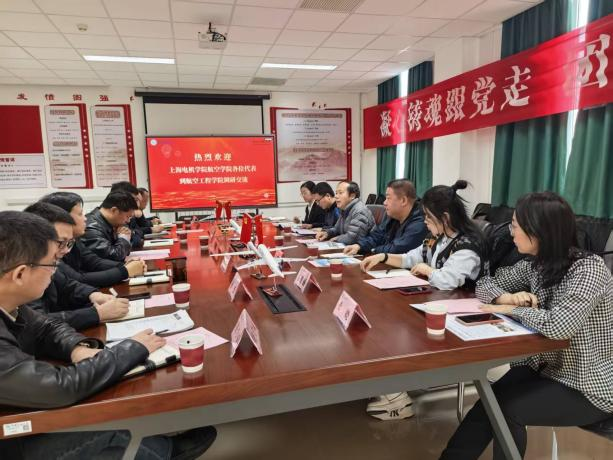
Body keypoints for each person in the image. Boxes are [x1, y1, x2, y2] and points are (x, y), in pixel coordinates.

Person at [0, 211, 217, 459]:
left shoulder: (11, 302)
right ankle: (163, 453)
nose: (56, 270)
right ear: (19, 274)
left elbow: (46, 327)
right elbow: (58, 387)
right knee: (106, 423)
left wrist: (77, 347)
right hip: (10, 443)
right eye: (52, 264)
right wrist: (132, 348)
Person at [440, 192, 612, 460]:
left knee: (507, 410)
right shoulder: (536, 265)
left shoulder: (588, 270)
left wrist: (513, 310)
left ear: (539, 231)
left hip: (587, 383)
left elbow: (560, 326)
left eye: (515, 227)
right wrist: (504, 297)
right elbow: (485, 284)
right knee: (488, 402)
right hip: (547, 368)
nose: (511, 234)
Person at [360, 180, 486, 421]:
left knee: (399, 331)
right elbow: (412, 257)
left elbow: (447, 280)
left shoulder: (467, 245)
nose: (424, 221)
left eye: (428, 216)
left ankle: (397, 394)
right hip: (436, 303)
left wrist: (428, 270)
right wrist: (383, 257)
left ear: (445, 217)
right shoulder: (438, 237)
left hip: (459, 315)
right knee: (387, 321)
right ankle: (389, 382)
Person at [24, 202, 130, 330]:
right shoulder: (24, 269)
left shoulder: (50, 259)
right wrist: (96, 314)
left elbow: (67, 285)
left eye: (69, 243)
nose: (66, 250)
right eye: (61, 243)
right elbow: (35, 322)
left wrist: (92, 295)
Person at [40, 192, 146, 287]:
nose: (85, 218)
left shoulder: (73, 239)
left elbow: (93, 261)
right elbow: (76, 279)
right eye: (80, 214)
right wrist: (125, 271)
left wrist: (125, 265)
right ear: (61, 218)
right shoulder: (47, 249)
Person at [343, 179, 427, 257]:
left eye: (388, 198)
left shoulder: (421, 222)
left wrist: (373, 250)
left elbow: (398, 249)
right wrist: (359, 246)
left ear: (403, 200)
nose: (384, 202)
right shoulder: (392, 215)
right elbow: (377, 236)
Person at [83, 191, 139, 262]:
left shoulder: (110, 222)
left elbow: (124, 253)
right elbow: (114, 256)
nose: (128, 221)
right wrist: (123, 238)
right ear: (114, 210)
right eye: (127, 216)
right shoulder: (92, 228)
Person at [316, 181, 375, 245]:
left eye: (340, 193)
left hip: (361, 249)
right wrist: (327, 233)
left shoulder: (360, 211)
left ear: (352, 196)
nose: (336, 196)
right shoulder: (345, 209)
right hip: (348, 247)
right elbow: (336, 229)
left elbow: (354, 238)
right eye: (336, 193)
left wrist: (336, 239)